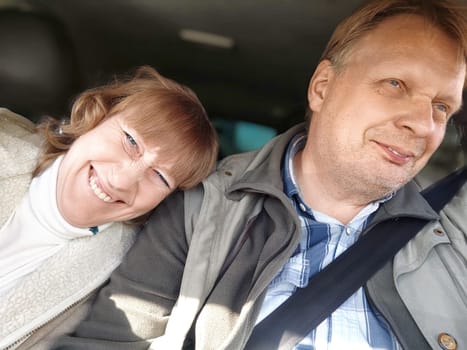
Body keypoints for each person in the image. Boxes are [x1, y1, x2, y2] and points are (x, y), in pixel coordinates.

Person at [53, 0, 467, 349]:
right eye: (395, 84)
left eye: (442, 107)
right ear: (322, 87)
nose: (424, 124)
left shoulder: (456, 226)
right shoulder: (201, 211)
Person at [0, 65, 218, 349]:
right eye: (130, 141)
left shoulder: (125, 281)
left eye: (160, 177)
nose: (122, 180)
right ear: (96, 117)